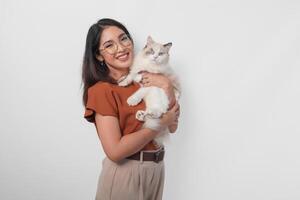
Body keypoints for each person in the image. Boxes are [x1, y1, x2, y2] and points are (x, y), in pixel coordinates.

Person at [81, 18, 180, 200]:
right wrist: (158, 124)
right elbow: (115, 152)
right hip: (126, 173)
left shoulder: (146, 78)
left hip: (156, 170)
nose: (121, 48)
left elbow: (173, 127)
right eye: (109, 45)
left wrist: (166, 85)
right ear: (99, 55)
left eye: (123, 39)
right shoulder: (102, 91)